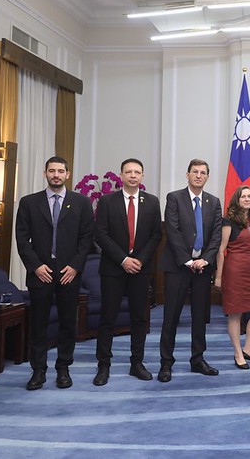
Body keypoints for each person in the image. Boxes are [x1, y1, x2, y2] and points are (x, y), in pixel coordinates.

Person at [16, 156, 94, 390]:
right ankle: (38, 370)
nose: (56, 175)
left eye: (61, 171)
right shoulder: (29, 202)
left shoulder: (81, 202)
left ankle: (63, 369)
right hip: (41, 272)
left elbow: (86, 238)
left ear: (67, 174)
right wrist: (36, 266)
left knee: (68, 322)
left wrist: (76, 266)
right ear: (45, 174)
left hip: (69, 272)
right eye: (52, 171)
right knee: (38, 323)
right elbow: (22, 239)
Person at [92, 158, 163, 386]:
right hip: (113, 268)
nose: (133, 175)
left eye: (137, 172)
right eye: (129, 172)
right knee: (108, 318)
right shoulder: (107, 201)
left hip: (140, 269)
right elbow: (100, 234)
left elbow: (156, 235)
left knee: (139, 318)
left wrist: (139, 260)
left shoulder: (151, 202)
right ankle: (104, 365)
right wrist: (123, 260)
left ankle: (136, 363)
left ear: (142, 176)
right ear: (121, 175)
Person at [158, 159, 222, 382]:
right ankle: (166, 363)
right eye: (194, 172)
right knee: (171, 316)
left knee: (200, 316)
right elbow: (172, 231)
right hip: (178, 266)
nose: (198, 175)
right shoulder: (174, 198)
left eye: (203, 172)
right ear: (187, 175)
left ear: (207, 177)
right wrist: (187, 260)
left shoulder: (214, 202)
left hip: (203, 268)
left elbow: (216, 235)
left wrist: (205, 259)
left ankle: (197, 359)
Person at [214, 185, 250, 370]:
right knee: (235, 313)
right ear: (237, 200)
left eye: (249, 196)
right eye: (243, 196)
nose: (246, 199)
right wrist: (219, 277)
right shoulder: (228, 221)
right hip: (234, 271)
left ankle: (248, 348)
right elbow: (221, 250)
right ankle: (238, 353)